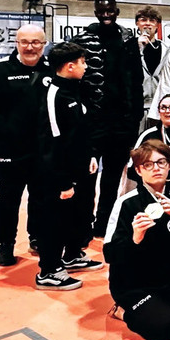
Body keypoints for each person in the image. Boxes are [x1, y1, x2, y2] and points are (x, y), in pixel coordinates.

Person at [104, 140, 170, 340]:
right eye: (148, 164)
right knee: (167, 330)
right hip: (133, 284)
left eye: (161, 162)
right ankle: (122, 311)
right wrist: (135, 238)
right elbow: (110, 254)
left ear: (169, 166)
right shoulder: (126, 203)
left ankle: (163, 305)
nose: (156, 168)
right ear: (138, 170)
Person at [0, 23, 49, 266]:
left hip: (42, 149)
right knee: (9, 196)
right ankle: (5, 245)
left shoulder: (52, 69)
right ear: (16, 43)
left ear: (44, 44)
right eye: (24, 42)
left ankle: (37, 238)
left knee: (40, 196)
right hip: (9, 148)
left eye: (36, 42)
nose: (30, 47)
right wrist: (8, 130)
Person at [71, 0, 144, 240]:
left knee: (112, 177)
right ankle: (83, 223)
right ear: (95, 12)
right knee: (87, 176)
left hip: (122, 122)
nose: (105, 15)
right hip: (92, 122)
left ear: (116, 11)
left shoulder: (127, 39)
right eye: (101, 11)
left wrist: (134, 117)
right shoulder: (83, 39)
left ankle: (103, 223)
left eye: (109, 10)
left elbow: (137, 80)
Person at [35, 42, 102, 290]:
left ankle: (72, 254)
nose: (86, 67)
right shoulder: (54, 95)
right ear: (70, 66)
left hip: (80, 167)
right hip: (59, 173)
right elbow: (53, 142)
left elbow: (81, 130)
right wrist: (63, 181)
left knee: (79, 214)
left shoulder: (74, 90)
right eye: (83, 63)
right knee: (55, 220)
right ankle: (48, 271)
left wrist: (90, 155)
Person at [129, 93, 170, 197]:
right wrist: (166, 175)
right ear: (159, 112)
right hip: (153, 195)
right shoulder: (148, 136)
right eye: (163, 108)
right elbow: (131, 171)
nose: (168, 111)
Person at [134, 6, 167, 130]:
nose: (147, 24)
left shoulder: (167, 51)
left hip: (161, 109)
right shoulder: (129, 48)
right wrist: (137, 48)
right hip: (138, 108)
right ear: (137, 23)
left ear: (157, 25)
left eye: (152, 20)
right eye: (143, 20)